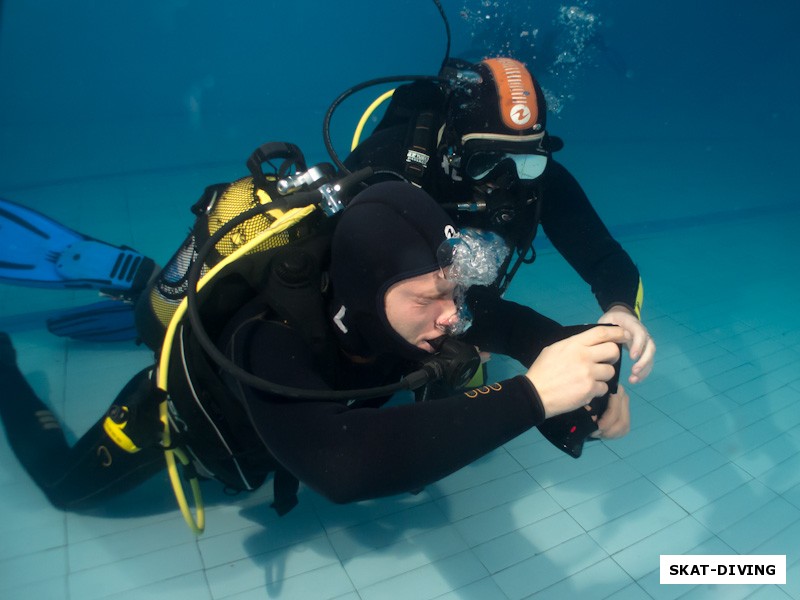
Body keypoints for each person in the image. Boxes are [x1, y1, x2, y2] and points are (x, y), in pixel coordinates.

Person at [0, 181, 630, 517]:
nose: (452, 316)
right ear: (362, 292)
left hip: (305, 420)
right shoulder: (265, 336)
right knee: (64, 489)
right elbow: (340, 467)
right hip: (197, 422)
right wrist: (533, 396)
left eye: (455, 292)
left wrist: (597, 389)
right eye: (429, 300)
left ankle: (139, 283)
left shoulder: (421, 302)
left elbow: (532, 333)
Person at [344, 57, 655, 385]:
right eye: (487, 161)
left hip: (472, 318)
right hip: (387, 321)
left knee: (460, 398)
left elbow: (603, 257)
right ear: (454, 146)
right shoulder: (393, 161)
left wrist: (621, 308)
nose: (505, 180)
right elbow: (343, 270)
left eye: (524, 161)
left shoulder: (538, 179)